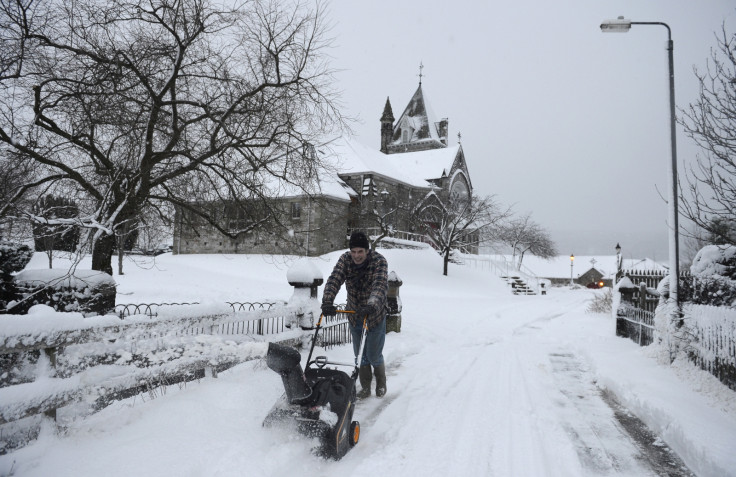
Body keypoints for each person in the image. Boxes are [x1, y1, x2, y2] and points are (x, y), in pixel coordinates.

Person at [321, 231, 388, 398]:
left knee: (373, 354)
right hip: (354, 314)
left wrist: (371, 305)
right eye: (353, 251)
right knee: (360, 354)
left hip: (374, 316)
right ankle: (365, 387)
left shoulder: (379, 262)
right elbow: (335, 279)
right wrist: (327, 301)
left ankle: (381, 382)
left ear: (367, 250)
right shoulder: (345, 260)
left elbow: (379, 286)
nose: (356, 255)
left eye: (360, 251)